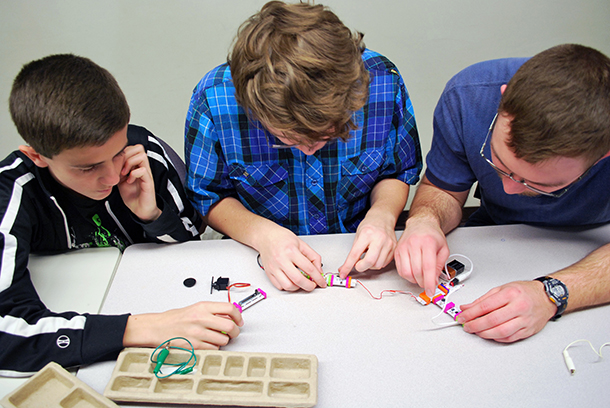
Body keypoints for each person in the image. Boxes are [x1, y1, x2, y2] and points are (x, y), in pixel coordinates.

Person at [0, 54, 243, 375]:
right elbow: (8, 331)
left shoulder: (145, 153)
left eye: (117, 153)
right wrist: (141, 330)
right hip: (94, 318)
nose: (113, 177)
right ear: (36, 155)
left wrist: (152, 215)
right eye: (87, 167)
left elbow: (190, 246)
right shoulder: (13, 190)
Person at [185, 1, 422, 292]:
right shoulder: (214, 99)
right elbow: (209, 197)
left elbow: (396, 172)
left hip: (359, 253)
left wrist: (383, 215)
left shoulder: (383, 81)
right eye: (290, 138)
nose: (310, 149)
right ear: (255, 109)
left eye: (327, 134)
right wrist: (263, 236)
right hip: (256, 258)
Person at [394, 43, 610, 343]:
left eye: (539, 184)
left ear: (603, 156)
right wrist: (424, 221)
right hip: (497, 236)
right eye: (500, 163)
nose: (508, 189)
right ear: (503, 98)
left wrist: (551, 293)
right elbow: (442, 189)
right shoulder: (467, 97)